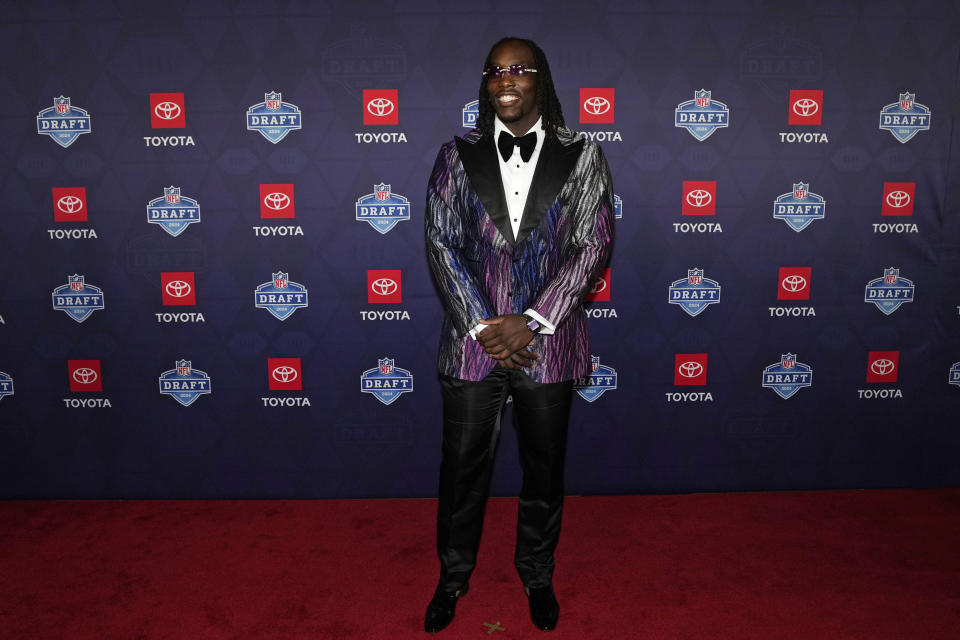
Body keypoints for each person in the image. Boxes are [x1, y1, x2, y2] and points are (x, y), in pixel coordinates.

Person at [423, 36, 615, 633]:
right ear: (484, 83)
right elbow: (440, 243)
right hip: (474, 343)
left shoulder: (583, 154)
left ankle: (536, 572)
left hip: (548, 345)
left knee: (544, 469)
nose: (506, 80)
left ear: (541, 79)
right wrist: (485, 324)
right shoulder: (456, 156)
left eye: (519, 70)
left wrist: (531, 321)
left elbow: (594, 243)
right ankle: (452, 578)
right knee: (461, 471)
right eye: (495, 71)